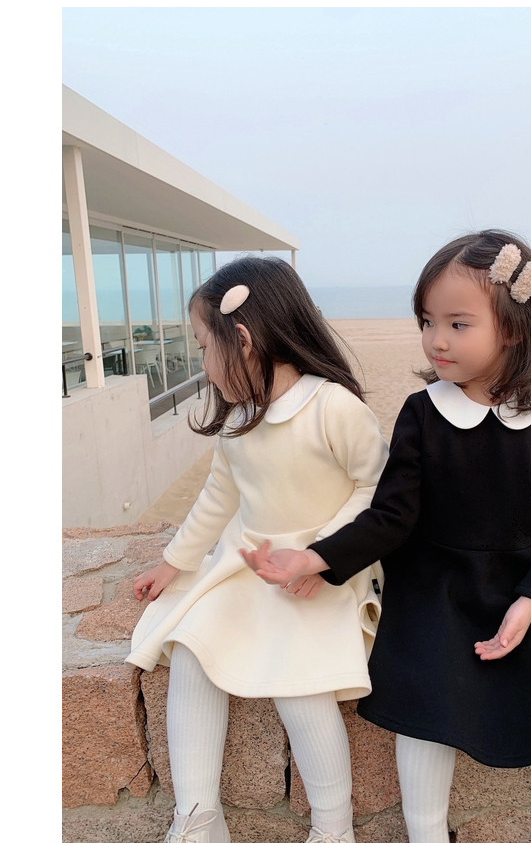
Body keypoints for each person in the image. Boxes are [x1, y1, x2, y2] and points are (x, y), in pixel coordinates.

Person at [245, 230, 531, 843]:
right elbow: (391, 516)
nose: (437, 340)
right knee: (425, 710)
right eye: (427, 321)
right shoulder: (422, 413)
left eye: (458, 324)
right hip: (438, 590)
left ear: (513, 328)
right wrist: (317, 558)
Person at [127, 256, 390, 843]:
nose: (201, 364)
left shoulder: (333, 408)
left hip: (327, 569)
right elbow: (218, 497)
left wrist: (321, 556)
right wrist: (174, 562)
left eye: (204, 347)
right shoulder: (239, 420)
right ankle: (197, 817)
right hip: (250, 564)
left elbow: (376, 489)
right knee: (191, 649)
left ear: (242, 340)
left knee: (300, 683)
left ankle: (333, 829)